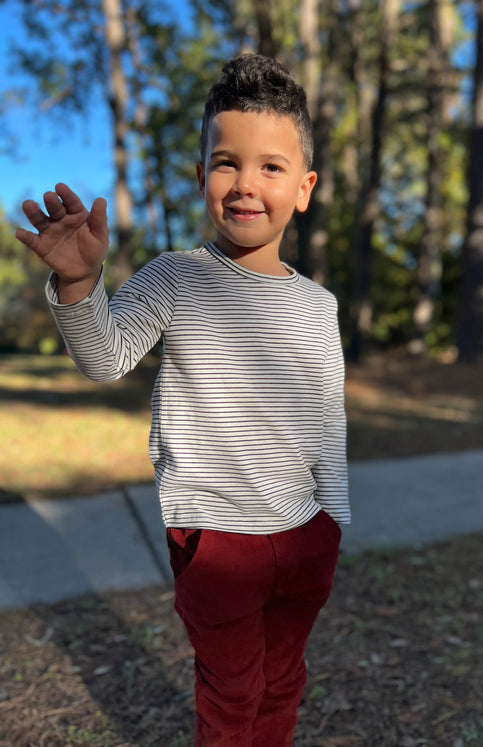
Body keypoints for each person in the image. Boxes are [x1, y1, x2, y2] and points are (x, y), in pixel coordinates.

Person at [16, 53, 350, 746]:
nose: (246, 184)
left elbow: (328, 413)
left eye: (271, 166)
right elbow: (106, 358)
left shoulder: (319, 305)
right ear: (201, 177)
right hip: (217, 539)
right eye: (226, 162)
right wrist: (81, 286)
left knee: (284, 678)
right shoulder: (175, 278)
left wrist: (333, 521)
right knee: (232, 692)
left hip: (305, 536)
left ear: (305, 186)